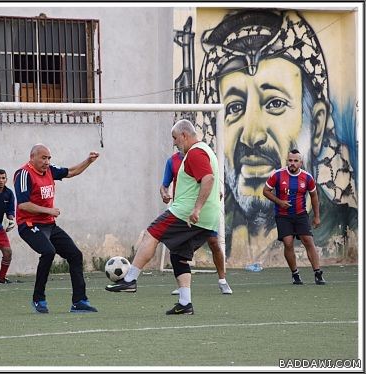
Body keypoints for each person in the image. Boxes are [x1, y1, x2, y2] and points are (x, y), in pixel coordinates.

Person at [195, 9, 357, 265]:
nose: (251, 135)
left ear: (317, 125)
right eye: (235, 107)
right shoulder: (208, 227)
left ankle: (316, 273)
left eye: (275, 103)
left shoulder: (346, 224)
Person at [106, 119, 221, 315]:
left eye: (175, 138)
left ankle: (130, 280)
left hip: (186, 212)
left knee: (152, 233)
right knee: (179, 256)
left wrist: (197, 208)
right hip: (208, 218)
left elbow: (208, 179)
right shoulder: (207, 150)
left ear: (184, 135)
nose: (175, 143)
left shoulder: (195, 153)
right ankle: (185, 303)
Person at [14, 144, 99, 314]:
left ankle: (79, 301)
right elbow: (23, 205)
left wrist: (88, 161)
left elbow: (71, 172)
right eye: (43, 158)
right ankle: (38, 299)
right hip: (29, 224)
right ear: (32, 157)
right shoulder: (23, 174)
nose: (47, 161)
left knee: (75, 255)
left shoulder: (50, 170)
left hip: (49, 225)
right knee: (48, 252)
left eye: (49, 158)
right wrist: (48, 210)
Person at [161, 148, 232, 295]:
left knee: (214, 242)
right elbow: (164, 186)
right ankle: (182, 286)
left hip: (203, 211)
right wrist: (164, 194)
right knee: (178, 249)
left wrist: (216, 193)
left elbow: (210, 179)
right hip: (182, 213)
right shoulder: (172, 161)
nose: (177, 142)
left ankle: (222, 280)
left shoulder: (201, 156)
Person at [262, 150, 326, 285]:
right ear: (287, 161)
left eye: (296, 161)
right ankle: (295, 274)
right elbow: (265, 191)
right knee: (288, 243)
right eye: (290, 160)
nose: (292, 163)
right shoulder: (278, 175)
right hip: (283, 216)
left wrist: (317, 217)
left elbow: (314, 196)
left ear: (301, 163)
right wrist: (280, 202)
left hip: (301, 214)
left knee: (308, 241)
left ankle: (317, 273)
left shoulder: (307, 177)